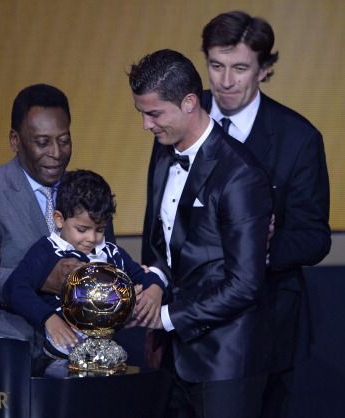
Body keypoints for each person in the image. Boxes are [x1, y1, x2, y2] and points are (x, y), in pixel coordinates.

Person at [199, 11, 331, 417]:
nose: (225, 81)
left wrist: (256, 247)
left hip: (265, 323)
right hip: (189, 322)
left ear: (265, 69)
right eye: (216, 66)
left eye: (240, 68)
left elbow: (314, 236)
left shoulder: (298, 138)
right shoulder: (184, 117)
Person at [130, 49, 272, 418]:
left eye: (154, 113)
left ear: (190, 102)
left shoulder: (240, 174)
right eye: (142, 113)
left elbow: (244, 284)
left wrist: (165, 317)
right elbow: (163, 240)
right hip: (172, 358)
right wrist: (158, 279)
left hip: (223, 362)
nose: (147, 125)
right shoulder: (162, 152)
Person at [0, 84, 96, 357]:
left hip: (80, 351)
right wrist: (38, 278)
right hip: (10, 350)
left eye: (64, 140)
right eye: (42, 142)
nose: (56, 152)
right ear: (15, 141)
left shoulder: (86, 191)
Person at [3, 169, 166, 358]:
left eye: (100, 229)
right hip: (60, 354)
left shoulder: (113, 253)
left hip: (106, 351)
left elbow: (144, 277)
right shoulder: (46, 250)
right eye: (82, 229)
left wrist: (155, 288)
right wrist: (48, 318)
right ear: (59, 219)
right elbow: (14, 288)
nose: (91, 238)